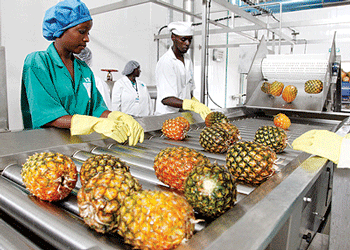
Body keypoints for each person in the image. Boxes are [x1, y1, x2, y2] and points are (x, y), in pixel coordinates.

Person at [20, 0, 143, 146]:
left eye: (88, 33)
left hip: (80, 147)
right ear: (61, 30)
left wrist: (117, 116)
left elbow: (96, 109)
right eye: (81, 32)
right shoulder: (38, 62)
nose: (87, 39)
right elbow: (47, 115)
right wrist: (93, 124)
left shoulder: (83, 69)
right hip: (48, 148)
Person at [155, 21, 211, 120]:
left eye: (190, 40)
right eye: (183, 39)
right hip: (167, 117)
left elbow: (188, 89)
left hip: (183, 116)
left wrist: (195, 102)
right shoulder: (166, 63)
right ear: (173, 37)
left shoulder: (188, 59)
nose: (187, 44)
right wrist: (192, 105)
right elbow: (166, 99)